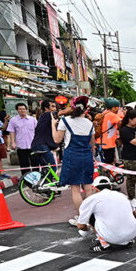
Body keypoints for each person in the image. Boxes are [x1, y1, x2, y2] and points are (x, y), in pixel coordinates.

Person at [52, 96, 94, 226]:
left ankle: (81, 219)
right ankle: (90, 217)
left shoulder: (65, 121)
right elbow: (92, 144)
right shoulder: (89, 123)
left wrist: (53, 125)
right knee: (88, 188)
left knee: (75, 188)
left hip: (72, 156)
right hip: (87, 156)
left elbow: (57, 140)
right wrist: (91, 157)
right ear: (85, 110)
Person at [77, 176, 136, 253]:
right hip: (133, 234)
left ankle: (104, 245)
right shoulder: (123, 195)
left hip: (113, 236)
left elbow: (81, 226)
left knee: (91, 215)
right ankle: (127, 240)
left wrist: (88, 229)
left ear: (95, 188)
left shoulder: (90, 199)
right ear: (110, 187)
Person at [7, 102, 38, 175]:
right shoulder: (13, 120)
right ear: (17, 110)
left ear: (26, 110)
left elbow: (37, 131)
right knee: (24, 164)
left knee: (35, 163)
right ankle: (25, 178)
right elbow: (12, 132)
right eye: (20, 109)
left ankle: (36, 177)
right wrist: (13, 142)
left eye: (24, 109)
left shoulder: (32, 119)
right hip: (21, 145)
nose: (22, 111)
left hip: (33, 144)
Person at [31, 99, 59, 168]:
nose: (55, 109)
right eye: (52, 106)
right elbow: (63, 112)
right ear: (46, 108)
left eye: (55, 107)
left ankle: (45, 178)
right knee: (52, 168)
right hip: (41, 146)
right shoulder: (48, 115)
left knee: (46, 169)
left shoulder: (44, 117)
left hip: (38, 146)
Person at [96, 98, 121, 164]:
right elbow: (122, 123)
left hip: (100, 142)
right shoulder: (112, 115)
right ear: (114, 108)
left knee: (103, 163)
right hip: (108, 144)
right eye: (117, 107)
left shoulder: (103, 113)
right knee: (109, 164)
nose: (118, 109)